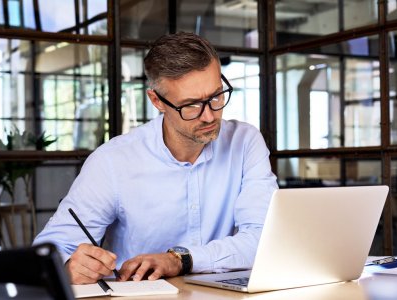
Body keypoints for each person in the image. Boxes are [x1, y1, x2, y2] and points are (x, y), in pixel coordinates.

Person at [33, 32, 278, 284]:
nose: (209, 116)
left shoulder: (245, 141)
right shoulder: (113, 161)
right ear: (156, 101)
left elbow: (264, 238)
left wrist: (180, 259)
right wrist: (67, 265)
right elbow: (49, 248)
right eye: (191, 105)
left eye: (216, 96)